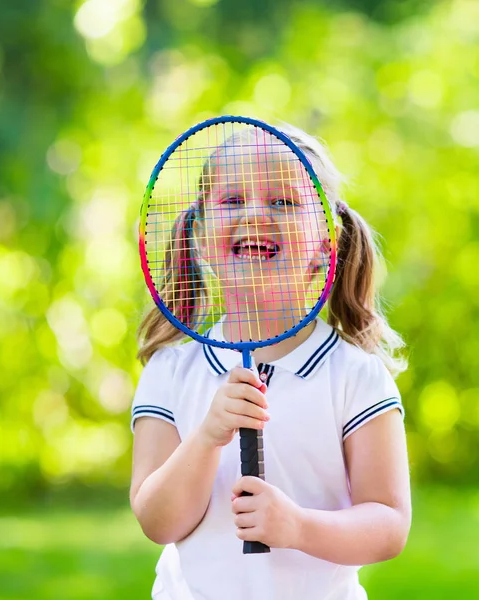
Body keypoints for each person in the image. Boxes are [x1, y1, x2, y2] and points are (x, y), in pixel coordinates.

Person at [130, 122, 411, 600]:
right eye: (233, 200)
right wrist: (208, 436)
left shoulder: (356, 376)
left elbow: (388, 524)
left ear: (328, 242)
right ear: (200, 239)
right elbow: (158, 522)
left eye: (282, 201)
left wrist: (298, 527)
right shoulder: (170, 372)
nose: (256, 214)